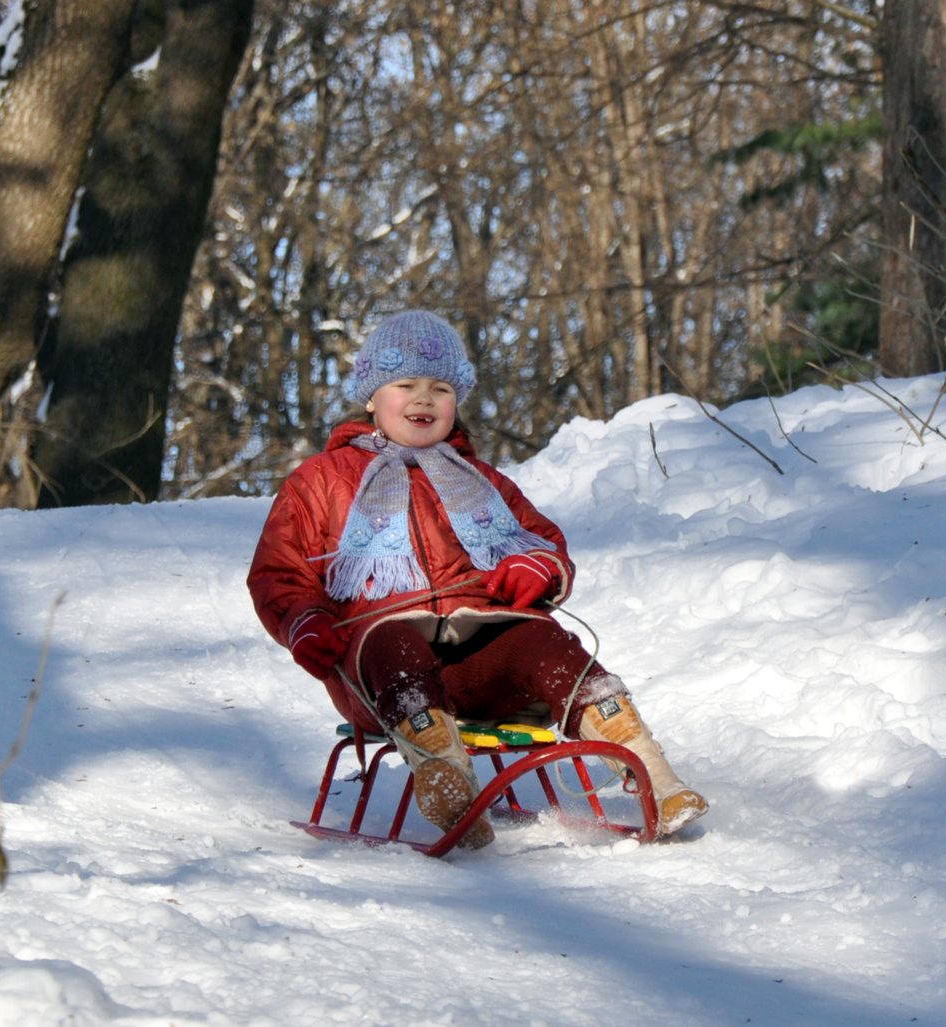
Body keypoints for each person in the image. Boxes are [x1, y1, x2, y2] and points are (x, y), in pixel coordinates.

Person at [248, 310, 707, 849]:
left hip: (483, 666)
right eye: (405, 385)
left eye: (440, 388)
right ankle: (447, 778)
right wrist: (305, 620)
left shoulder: (483, 483)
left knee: (543, 638)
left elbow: (544, 544)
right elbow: (280, 570)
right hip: (379, 672)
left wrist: (537, 566)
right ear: (371, 396)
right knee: (391, 640)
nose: (424, 399)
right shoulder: (321, 481)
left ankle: (650, 769)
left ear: (456, 400)